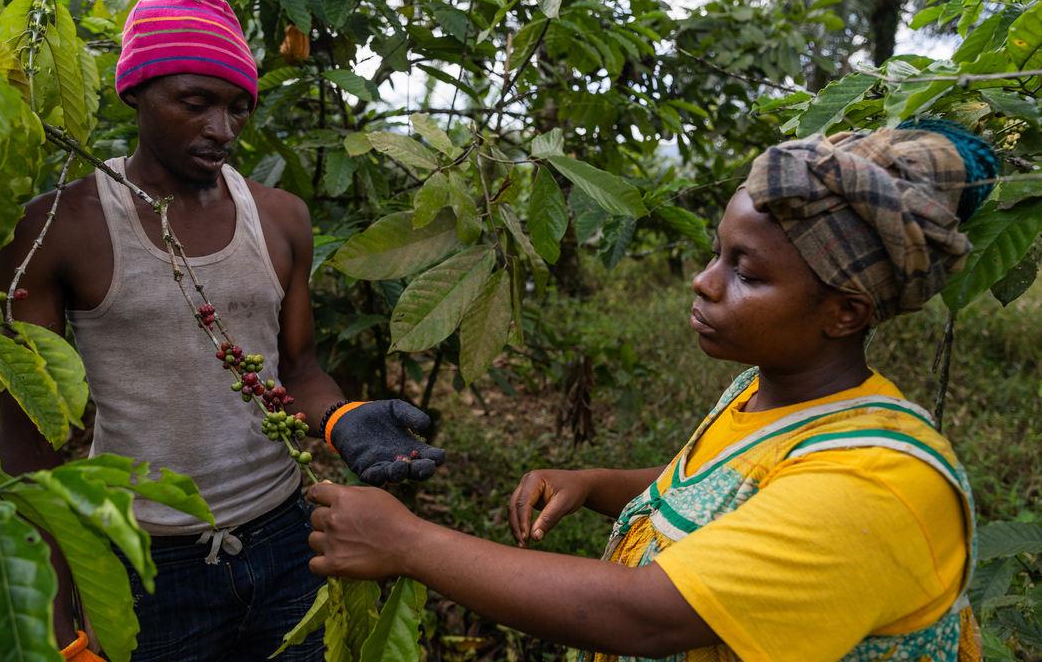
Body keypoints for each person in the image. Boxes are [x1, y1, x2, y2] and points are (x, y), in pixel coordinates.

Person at [302, 121, 999, 662]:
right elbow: (731, 489)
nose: (704, 281)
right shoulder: (767, 393)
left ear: (845, 312)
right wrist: (598, 481)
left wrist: (409, 544)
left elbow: (648, 614)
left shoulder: (879, 482)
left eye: (746, 273)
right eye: (716, 253)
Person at [0, 0, 445, 662]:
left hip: (291, 540)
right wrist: (58, 622)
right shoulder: (61, 225)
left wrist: (341, 417)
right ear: (137, 93)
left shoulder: (281, 216)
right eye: (195, 103)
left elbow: (298, 370)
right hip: (147, 563)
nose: (222, 130)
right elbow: (25, 436)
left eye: (237, 108)